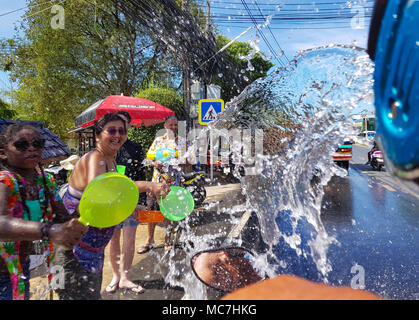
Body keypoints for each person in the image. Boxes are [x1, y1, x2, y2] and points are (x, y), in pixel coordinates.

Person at [53, 113, 169, 300]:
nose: (118, 135)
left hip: (90, 249)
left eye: (122, 131)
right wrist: (149, 185)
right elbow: (100, 194)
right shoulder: (95, 158)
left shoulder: (110, 159)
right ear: (98, 135)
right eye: (112, 130)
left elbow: (115, 193)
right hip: (73, 249)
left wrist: (132, 208)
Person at [0, 124, 87, 300]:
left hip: (22, 264)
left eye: (37, 144)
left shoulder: (45, 180)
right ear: (3, 153)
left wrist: (83, 215)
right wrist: (49, 230)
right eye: (22, 145)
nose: (32, 148)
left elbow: (62, 217)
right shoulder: (4, 181)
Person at [105, 111, 146, 294]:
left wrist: (142, 202)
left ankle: (125, 278)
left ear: (129, 126)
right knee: (113, 241)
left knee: (129, 241)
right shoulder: (105, 148)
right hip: (110, 203)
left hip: (131, 202)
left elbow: (141, 175)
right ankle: (115, 276)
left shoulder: (136, 148)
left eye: (123, 125)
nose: (119, 131)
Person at [138, 115, 189, 253]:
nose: (173, 127)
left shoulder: (182, 142)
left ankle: (168, 240)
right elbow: (149, 159)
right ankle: (149, 240)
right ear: (165, 126)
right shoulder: (158, 141)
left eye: (175, 125)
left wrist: (178, 161)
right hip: (156, 183)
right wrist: (156, 163)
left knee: (170, 213)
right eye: (171, 125)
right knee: (151, 212)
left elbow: (189, 161)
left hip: (174, 184)